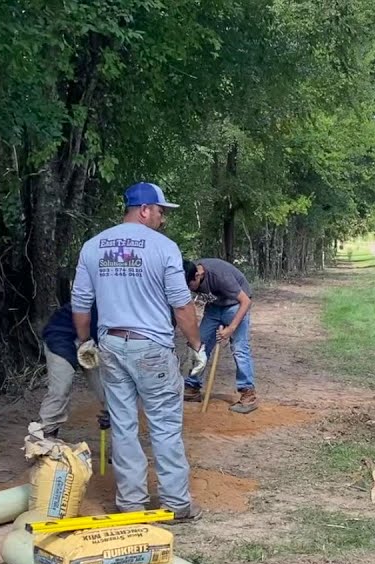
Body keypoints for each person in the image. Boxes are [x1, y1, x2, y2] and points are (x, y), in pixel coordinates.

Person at [71, 181, 208, 522]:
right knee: (164, 425)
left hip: (112, 346)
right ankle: (176, 505)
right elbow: (182, 305)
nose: (163, 219)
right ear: (145, 209)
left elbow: (80, 302)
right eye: (161, 211)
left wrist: (84, 341)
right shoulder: (163, 248)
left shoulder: (92, 246)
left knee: (122, 424)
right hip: (151, 348)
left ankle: (131, 503)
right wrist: (196, 346)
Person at [36, 271, 107, 439]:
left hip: (91, 343)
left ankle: (122, 448)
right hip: (62, 339)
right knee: (60, 390)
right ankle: (46, 440)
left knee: (109, 391)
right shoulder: (101, 302)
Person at [182, 257, 257, 413]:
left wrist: (231, 328)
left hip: (235, 305)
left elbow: (245, 302)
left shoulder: (219, 275)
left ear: (197, 276)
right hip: (214, 307)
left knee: (239, 348)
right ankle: (192, 387)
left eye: (190, 286)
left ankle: (248, 394)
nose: (190, 289)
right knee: (199, 344)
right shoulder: (189, 272)